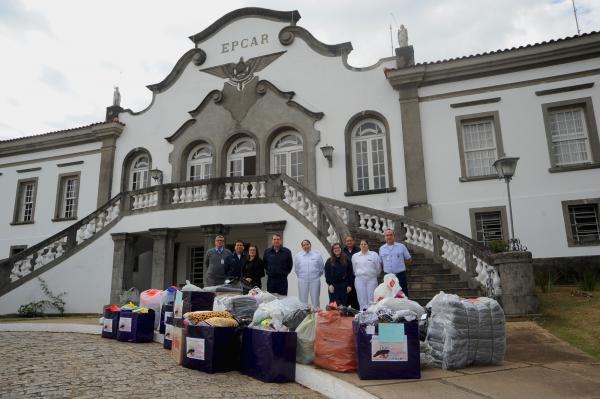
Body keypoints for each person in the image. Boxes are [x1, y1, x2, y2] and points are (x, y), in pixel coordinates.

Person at [379, 228, 413, 297]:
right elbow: (381, 262)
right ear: (384, 237)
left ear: (394, 236)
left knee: (403, 295)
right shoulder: (381, 249)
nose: (389, 237)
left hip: (400, 276)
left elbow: (409, 260)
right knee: (389, 295)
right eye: (387, 235)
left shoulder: (401, 247)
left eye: (391, 235)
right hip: (388, 276)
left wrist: (400, 266)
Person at [294, 239, 325, 309]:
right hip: (302, 280)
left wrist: (316, 276)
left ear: (310, 245)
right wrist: (302, 276)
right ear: (302, 247)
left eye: (307, 244)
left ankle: (316, 316)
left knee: (315, 299)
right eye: (304, 245)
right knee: (303, 300)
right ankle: (304, 316)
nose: (306, 246)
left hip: (315, 280)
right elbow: (297, 269)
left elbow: (321, 268)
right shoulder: (298, 256)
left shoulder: (317, 255)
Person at [352, 239, 381, 310]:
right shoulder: (355, 256)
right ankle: (363, 314)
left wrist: (373, 275)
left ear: (368, 245)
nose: (363, 245)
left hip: (371, 279)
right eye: (361, 244)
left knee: (372, 298)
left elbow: (378, 268)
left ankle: (372, 314)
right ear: (360, 246)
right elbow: (354, 269)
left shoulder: (374, 255)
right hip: (360, 279)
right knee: (361, 298)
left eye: (365, 244)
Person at [343, 235, 361, 309]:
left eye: (350, 241)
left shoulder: (358, 250)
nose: (349, 242)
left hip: (356, 276)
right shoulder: (343, 251)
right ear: (345, 242)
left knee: (355, 295)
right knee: (346, 296)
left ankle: (356, 311)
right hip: (346, 277)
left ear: (353, 241)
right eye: (347, 241)